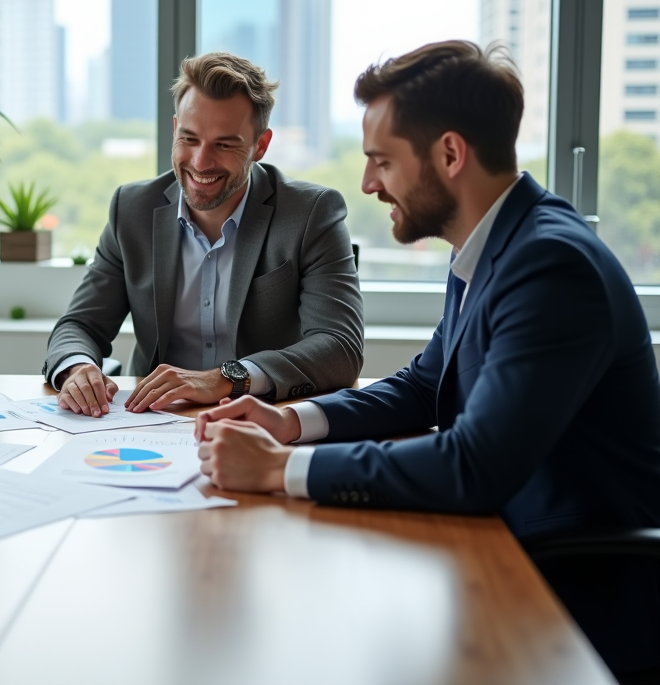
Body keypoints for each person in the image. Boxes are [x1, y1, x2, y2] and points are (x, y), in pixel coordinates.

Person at [195, 40, 660, 678]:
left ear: (449, 154)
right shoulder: (489, 245)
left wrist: (281, 470)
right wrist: (293, 421)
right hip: (500, 551)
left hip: (568, 594)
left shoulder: (552, 265)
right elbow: (423, 386)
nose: (367, 184)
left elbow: (475, 463)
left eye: (381, 161)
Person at [43, 51, 363, 416]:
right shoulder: (131, 209)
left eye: (224, 144)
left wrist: (226, 378)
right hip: (148, 422)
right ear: (175, 127)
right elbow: (80, 324)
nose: (200, 162)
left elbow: (340, 347)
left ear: (260, 144)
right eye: (189, 138)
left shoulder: (311, 214)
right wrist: (77, 367)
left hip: (261, 423)